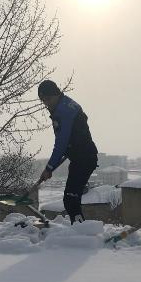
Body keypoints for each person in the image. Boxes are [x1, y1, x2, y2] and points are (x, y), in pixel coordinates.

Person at [37, 80, 98, 224]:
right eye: (43, 100)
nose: (46, 103)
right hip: (80, 158)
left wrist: (49, 168)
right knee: (71, 200)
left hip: (84, 159)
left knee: (71, 200)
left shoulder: (63, 111)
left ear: (56, 94)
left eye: (48, 99)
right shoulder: (65, 104)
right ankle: (80, 231)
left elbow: (61, 144)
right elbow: (69, 141)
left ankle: (81, 233)